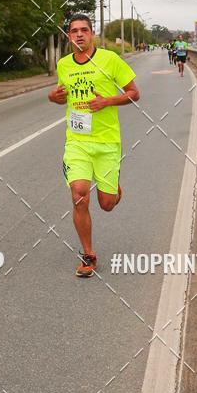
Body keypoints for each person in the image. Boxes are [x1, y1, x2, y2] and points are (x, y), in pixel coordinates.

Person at [48, 14, 140, 277]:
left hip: (107, 142)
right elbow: (59, 96)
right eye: (74, 31)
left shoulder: (110, 60)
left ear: (91, 34)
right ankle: (88, 255)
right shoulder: (64, 65)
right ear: (69, 36)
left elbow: (134, 93)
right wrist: (52, 97)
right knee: (79, 194)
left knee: (107, 204)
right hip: (77, 142)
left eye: (84, 30)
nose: (79, 35)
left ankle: (113, 188)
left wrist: (107, 102)